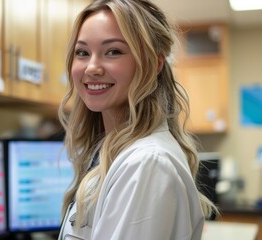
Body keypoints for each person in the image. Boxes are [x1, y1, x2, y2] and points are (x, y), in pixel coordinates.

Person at [57, 0, 217, 239]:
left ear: (154, 64)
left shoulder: (147, 163)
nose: (92, 67)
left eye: (113, 51)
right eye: (82, 52)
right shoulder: (115, 155)